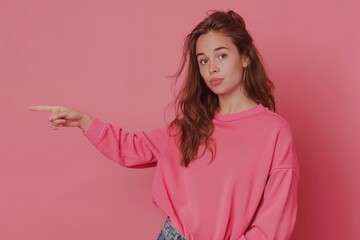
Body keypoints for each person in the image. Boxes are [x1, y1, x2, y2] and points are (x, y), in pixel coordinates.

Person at [30, 10, 299, 240]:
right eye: (203, 60)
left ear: (245, 57)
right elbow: (133, 148)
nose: (212, 68)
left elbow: (274, 220)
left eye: (222, 56)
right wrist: (84, 121)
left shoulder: (273, 132)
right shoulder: (191, 124)